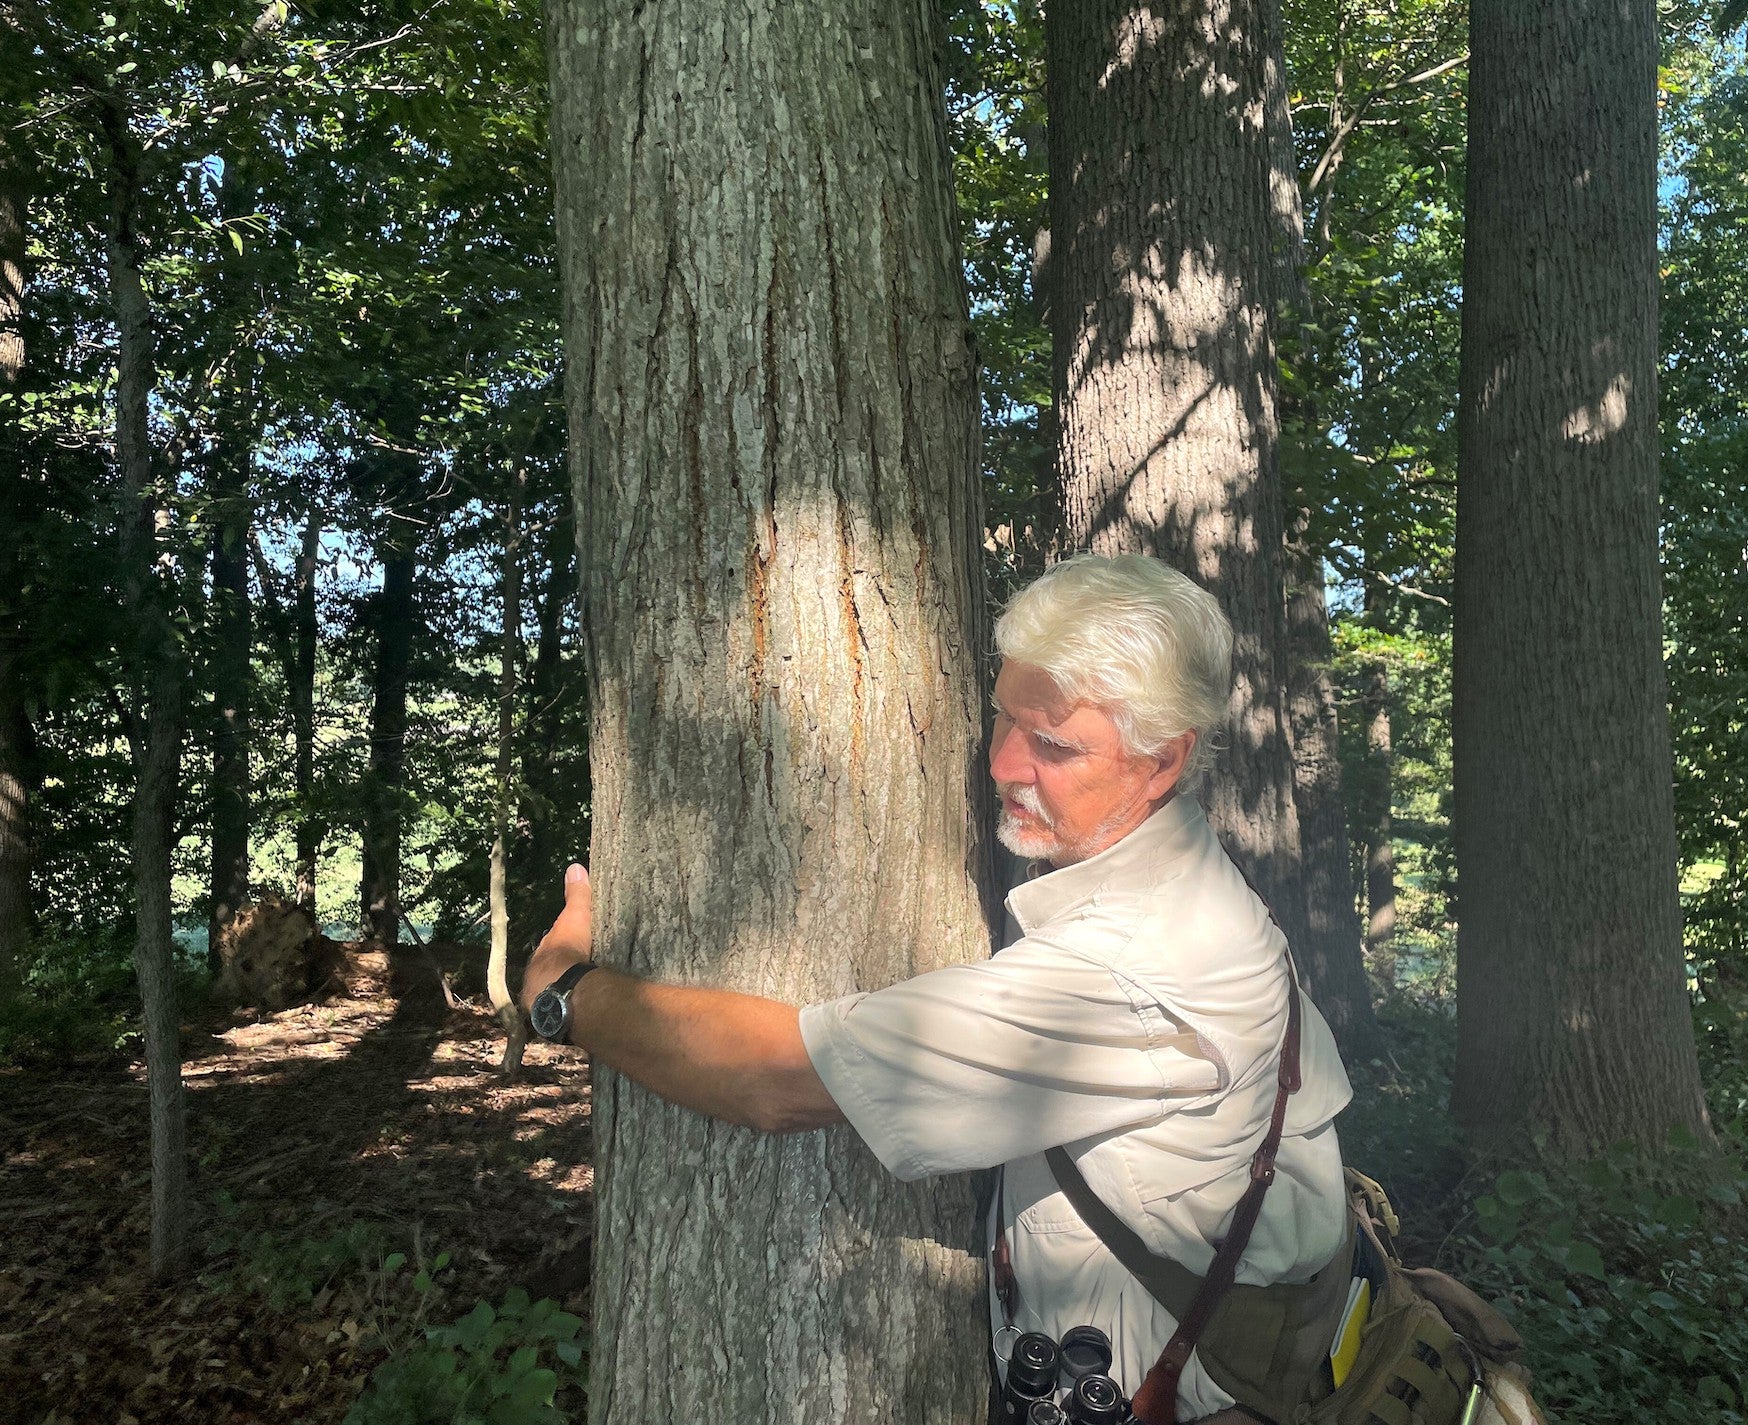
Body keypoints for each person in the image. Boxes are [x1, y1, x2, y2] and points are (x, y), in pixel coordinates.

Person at [522, 553, 1354, 1423]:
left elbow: (776, 1076)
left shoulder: (1136, 961)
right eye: (1002, 717)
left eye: (1054, 745)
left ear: (1163, 761)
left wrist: (565, 993)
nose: (1001, 764)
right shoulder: (1191, 887)